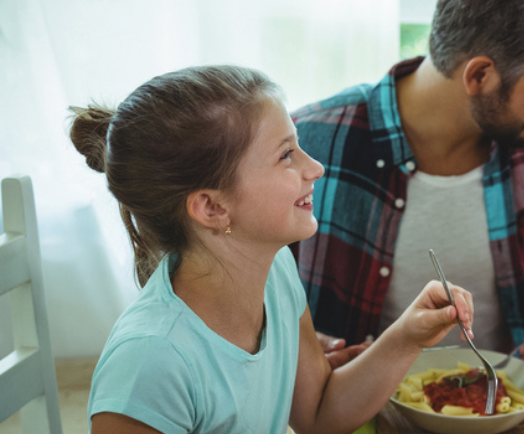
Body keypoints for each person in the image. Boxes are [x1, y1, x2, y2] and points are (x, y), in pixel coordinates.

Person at [72, 66, 476, 433]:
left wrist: (408, 336)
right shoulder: (150, 363)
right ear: (212, 207)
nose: (315, 167)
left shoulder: (276, 270)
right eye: (286, 155)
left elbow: (317, 412)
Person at [290, 0, 524, 382]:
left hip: (502, 406)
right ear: (480, 76)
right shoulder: (310, 141)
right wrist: (298, 344)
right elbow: (246, 302)